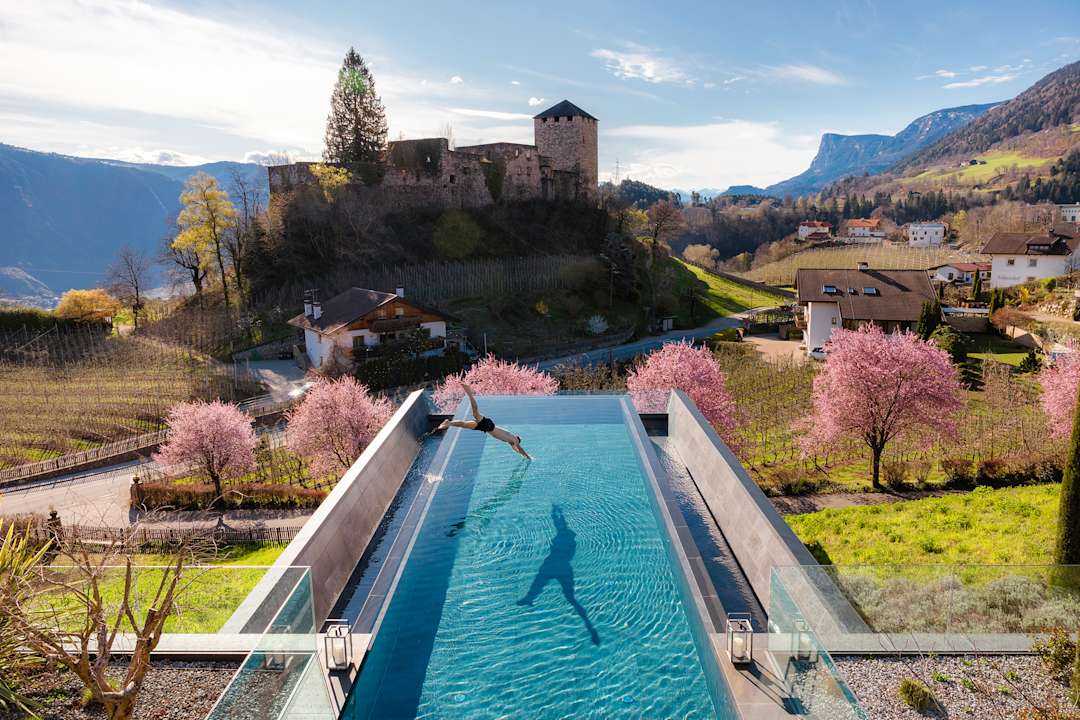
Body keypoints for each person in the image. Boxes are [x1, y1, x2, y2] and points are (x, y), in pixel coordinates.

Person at [437, 383, 532, 459]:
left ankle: (449, 423)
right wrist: (528, 457)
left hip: (487, 428)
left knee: (464, 424)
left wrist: (522, 456)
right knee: (475, 413)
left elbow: (516, 450)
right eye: (517, 443)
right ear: (517, 439)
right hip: (489, 426)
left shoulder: (510, 441)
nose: (515, 445)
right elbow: (519, 448)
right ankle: (469, 392)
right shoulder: (514, 439)